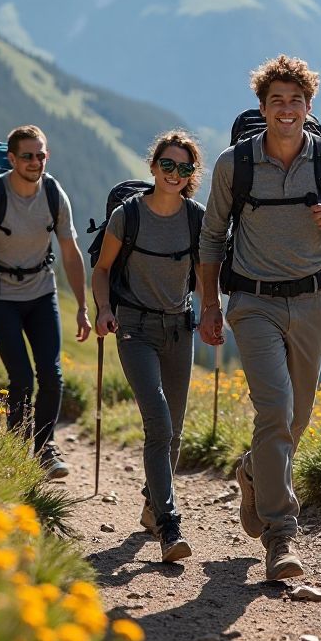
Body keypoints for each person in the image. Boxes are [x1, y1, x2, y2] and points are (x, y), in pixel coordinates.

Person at [198, 55, 321, 581]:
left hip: (313, 303)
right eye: (276, 101)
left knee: (296, 420)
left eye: (295, 101)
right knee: (275, 411)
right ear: (263, 108)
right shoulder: (234, 165)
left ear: (308, 107)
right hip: (254, 304)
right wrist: (208, 307)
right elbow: (210, 239)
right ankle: (280, 537)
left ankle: (252, 471)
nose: (286, 109)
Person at [92, 131, 205, 564]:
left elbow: (203, 275)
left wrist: (212, 311)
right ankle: (169, 524)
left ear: (192, 175)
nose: (175, 173)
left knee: (173, 431)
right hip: (134, 327)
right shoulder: (128, 216)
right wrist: (103, 308)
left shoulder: (196, 219)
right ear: (153, 167)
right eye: (168, 165)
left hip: (179, 328)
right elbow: (102, 269)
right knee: (158, 424)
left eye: (185, 168)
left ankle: (150, 505)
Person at [0, 124, 92, 477]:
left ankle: (44, 447)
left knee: (52, 375)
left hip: (41, 293)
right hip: (0, 297)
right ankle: (16, 448)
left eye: (41, 155)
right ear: (12, 159)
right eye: (28, 156)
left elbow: (70, 252)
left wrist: (83, 308)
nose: (36, 162)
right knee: (21, 377)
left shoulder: (53, 194)